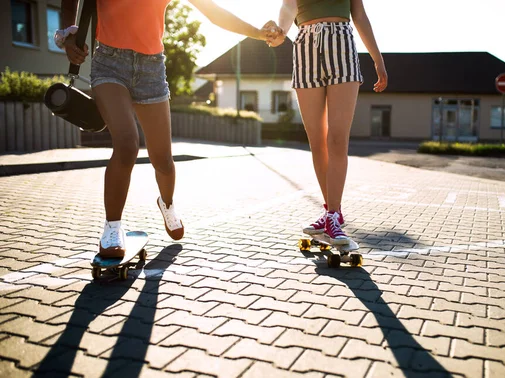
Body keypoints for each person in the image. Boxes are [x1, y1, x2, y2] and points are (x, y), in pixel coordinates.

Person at [57, 0, 280, 257]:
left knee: (163, 160)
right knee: (127, 144)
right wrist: (68, 33)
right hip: (109, 63)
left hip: (151, 68)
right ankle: (112, 227)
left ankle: (167, 203)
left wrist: (258, 32)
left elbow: (214, 12)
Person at [266, 0, 387, 244]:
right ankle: (332, 212)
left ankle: (332, 214)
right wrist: (280, 31)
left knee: (337, 139)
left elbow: (359, 15)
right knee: (317, 141)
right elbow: (289, 7)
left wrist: (378, 59)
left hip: (341, 44)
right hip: (305, 48)